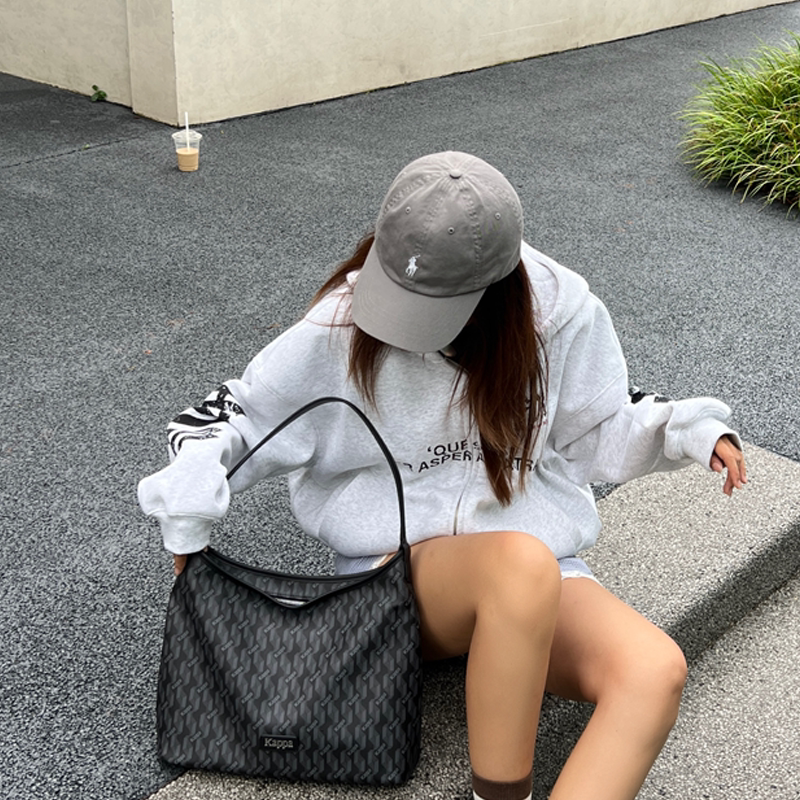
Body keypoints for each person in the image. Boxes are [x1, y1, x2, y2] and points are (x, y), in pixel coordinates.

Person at [138, 151, 746, 800]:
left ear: (496, 292)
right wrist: (189, 511)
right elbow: (240, 413)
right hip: (394, 579)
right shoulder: (340, 324)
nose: (404, 329)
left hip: (532, 576)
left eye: (432, 310)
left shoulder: (559, 314)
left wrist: (686, 430)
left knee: (653, 671)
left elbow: (601, 417)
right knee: (520, 564)